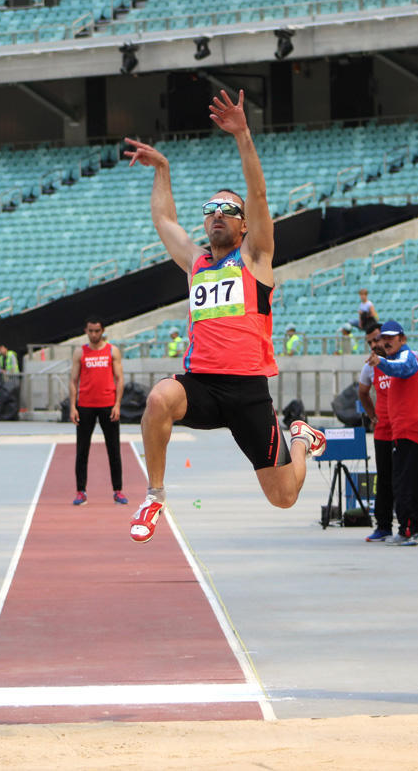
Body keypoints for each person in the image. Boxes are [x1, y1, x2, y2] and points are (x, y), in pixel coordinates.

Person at [123, 89, 326, 544]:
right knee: (158, 398)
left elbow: (256, 191)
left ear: (245, 224)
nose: (217, 215)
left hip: (248, 390)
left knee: (284, 496)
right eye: (210, 210)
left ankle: (300, 437)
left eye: (227, 210)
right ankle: (155, 494)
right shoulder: (196, 263)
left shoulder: (255, 258)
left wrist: (243, 136)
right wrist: (163, 170)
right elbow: (164, 221)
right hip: (203, 384)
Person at [368, 320, 418, 545]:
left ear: (403, 339)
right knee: (408, 482)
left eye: (391, 337)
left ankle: (413, 529)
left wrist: (380, 363)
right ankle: (410, 528)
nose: (386, 341)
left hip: (412, 432)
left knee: (407, 483)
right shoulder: (402, 360)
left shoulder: (406, 358)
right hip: (405, 432)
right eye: (383, 338)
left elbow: (401, 369)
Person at [68, 317, 127, 506]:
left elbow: (119, 378)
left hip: (108, 405)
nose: (94, 334)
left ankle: (118, 490)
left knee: (114, 450)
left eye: (97, 331)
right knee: (82, 451)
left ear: (103, 331)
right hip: (85, 406)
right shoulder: (80, 352)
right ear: (86, 331)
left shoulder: (112, 351)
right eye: (90, 331)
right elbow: (73, 380)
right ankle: (80, 491)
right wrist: (72, 406)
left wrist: (117, 404)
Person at [357, 321, 394, 542]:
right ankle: (383, 526)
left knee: (407, 477)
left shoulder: (407, 359)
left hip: (406, 428)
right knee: (384, 478)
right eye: (370, 341)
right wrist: (372, 415)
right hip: (383, 430)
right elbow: (363, 392)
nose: (373, 344)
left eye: (376, 339)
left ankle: (413, 525)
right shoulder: (369, 367)